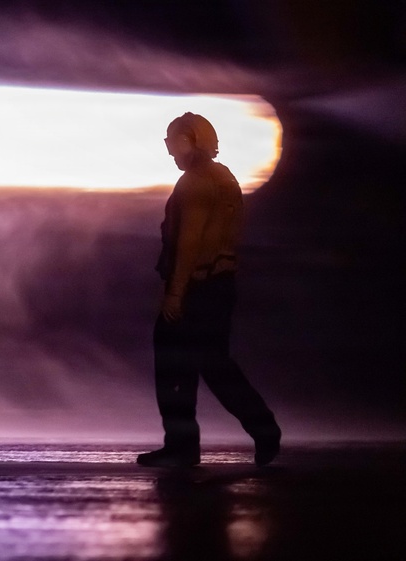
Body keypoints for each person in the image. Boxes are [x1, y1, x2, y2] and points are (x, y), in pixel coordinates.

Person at [138, 112, 282, 468]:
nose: (170, 150)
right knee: (213, 363)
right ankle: (262, 429)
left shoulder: (195, 183)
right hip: (218, 287)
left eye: (173, 141)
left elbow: (189, 242)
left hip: (196, 289)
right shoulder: (225, 178)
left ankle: (183, 446)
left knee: (175, 365)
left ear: (190, 140)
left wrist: (175, 292)